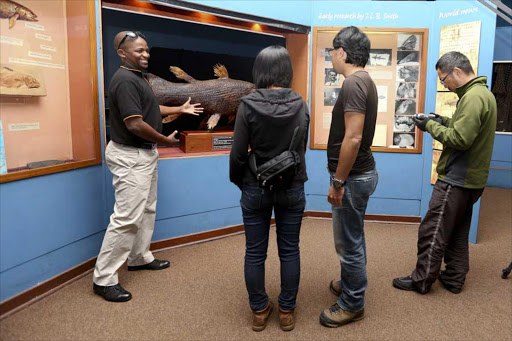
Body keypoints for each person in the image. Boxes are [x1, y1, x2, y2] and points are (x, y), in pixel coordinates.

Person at [93, 31, 203, 302]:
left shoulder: (138, 78)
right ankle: (104, 278)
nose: (145, 55)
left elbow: (151, 108)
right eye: (138, 51)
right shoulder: (124, 81)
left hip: (144, 155)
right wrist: (164, 139)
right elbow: (134, 123)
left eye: (146, 50)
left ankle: (139, 257)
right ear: (122, 53)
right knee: (126, 218)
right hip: (131, 156)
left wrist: (180, 109)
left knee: (147, 209)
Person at [393, 51, 497, 295]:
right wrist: (440, 119)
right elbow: (466, 127)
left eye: (443, 79)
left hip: (456, 179)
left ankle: (422, 280)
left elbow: (461, 139)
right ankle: (453, 277)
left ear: (457, 71)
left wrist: (429, 126)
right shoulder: (482, 94)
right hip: (472, 180)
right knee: (458, 231)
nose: (444, 84)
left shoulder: (472, 98)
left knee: (433, 230)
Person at [229, 45, 309, 332]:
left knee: (254, 252)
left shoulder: (247, 105)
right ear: (287, 71)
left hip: (255, 188)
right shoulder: (301, 104)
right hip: (292, 186)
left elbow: (238, 154)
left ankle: (260, 310)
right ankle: (287, 310)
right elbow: (301, 149)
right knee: (289, 250)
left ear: (259, 71)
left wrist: (243, 182)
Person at [320, 26, 378, 328]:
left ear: (342, 52)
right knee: (354, 236)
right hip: (360, 174)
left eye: (332, 50)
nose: (331, 55)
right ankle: (351, 282)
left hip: (352, 178)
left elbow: (353, 139)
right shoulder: (363, 80)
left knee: (348, 243)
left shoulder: (354, 83)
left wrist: (338, 182)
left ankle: (353, 303)